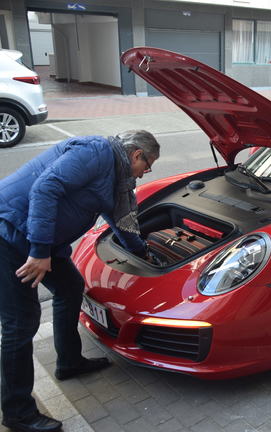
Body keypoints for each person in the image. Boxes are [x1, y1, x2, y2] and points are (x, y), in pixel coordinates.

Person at [0, 130, 159, 432]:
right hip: (10, 233)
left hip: (41, 240)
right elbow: (44, 190)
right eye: (148, 166)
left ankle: (69, 362)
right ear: (137, 154)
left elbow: (121, 218)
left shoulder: (117, 177)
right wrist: (39, 251)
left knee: (71, 288)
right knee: (21, 323)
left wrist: (142, 252)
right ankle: (18, 413)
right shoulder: (96, 152)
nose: (146, 172)